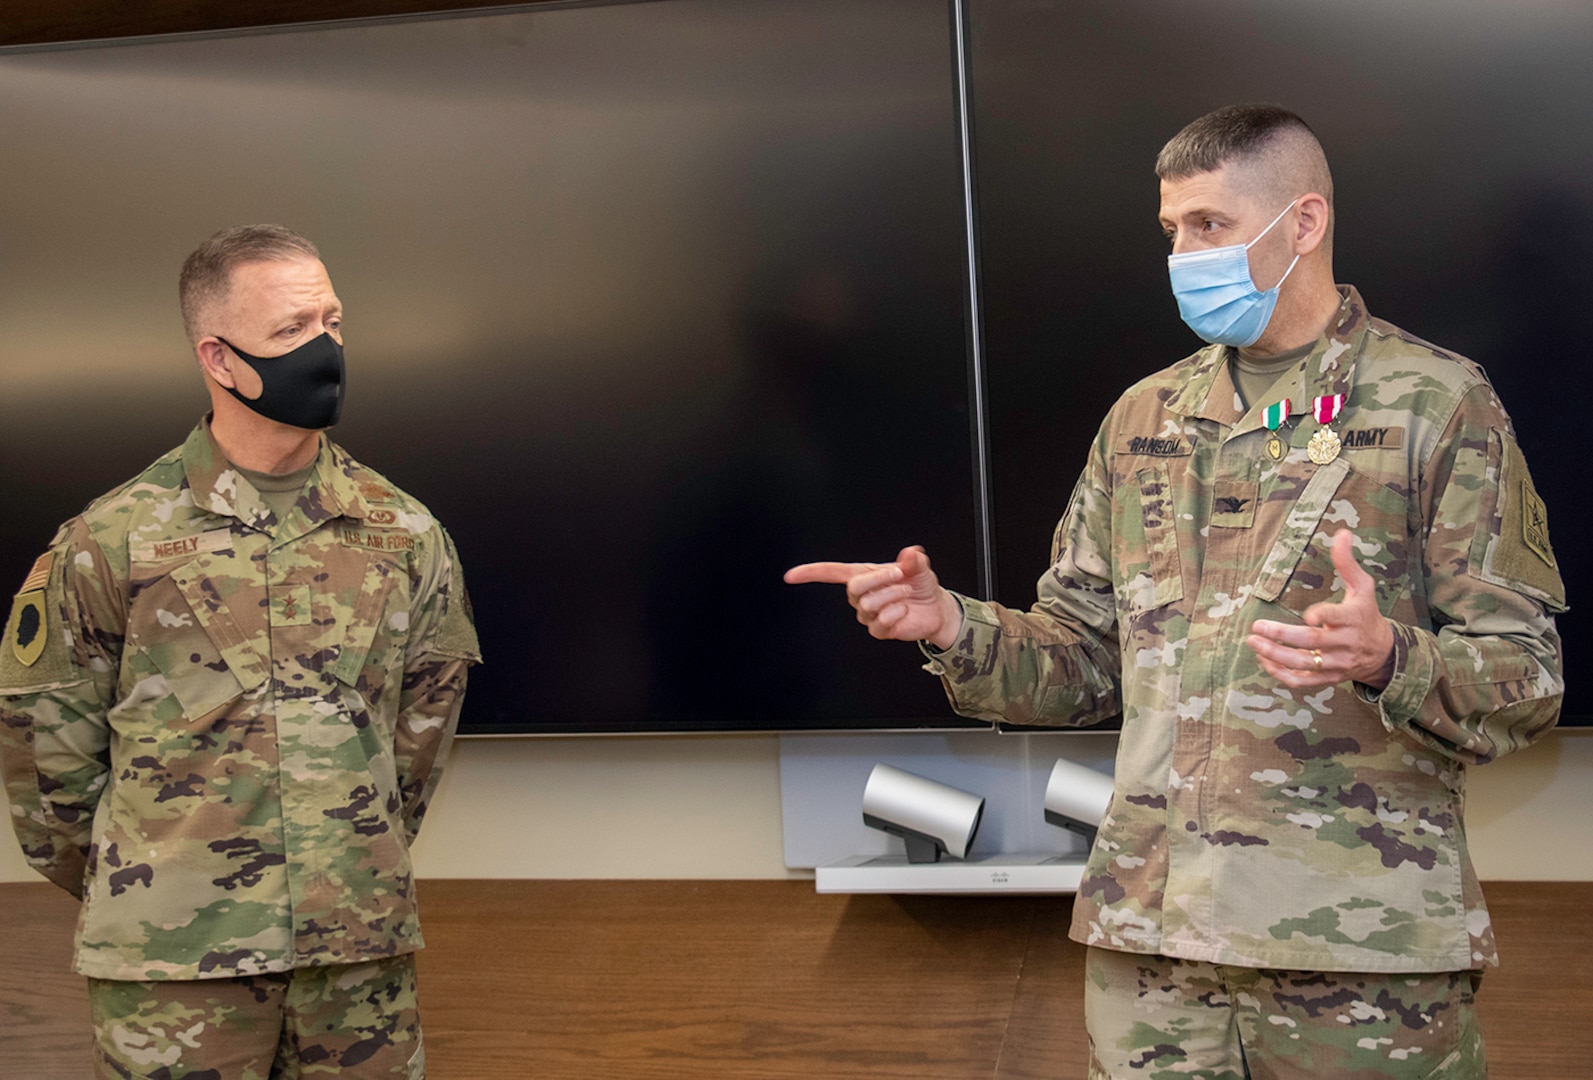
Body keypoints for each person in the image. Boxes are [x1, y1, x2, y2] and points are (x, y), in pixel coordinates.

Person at [786, 104, 1565, 1078]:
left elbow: (1527, 676)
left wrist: (1389, 655)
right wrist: (952, 626)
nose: (1183, 254)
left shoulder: (1437, 404)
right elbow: (1085, 661)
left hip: (1359, 955)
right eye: (1171, 232)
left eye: (1210, 226)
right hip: (1154, 949)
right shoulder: (1142, 419)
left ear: (1304, 224)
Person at [0, 225, 481, 1077]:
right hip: (175, 968)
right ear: (219, 360)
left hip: (355, 952)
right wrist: (154, 876)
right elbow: (49, 771)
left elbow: (418, 743)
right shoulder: (109, 540)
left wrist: (342, 856)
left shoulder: (405, 532)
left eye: (332, 320)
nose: (325, 348)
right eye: (292, 330)